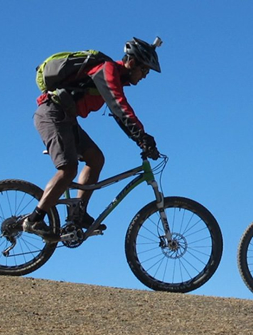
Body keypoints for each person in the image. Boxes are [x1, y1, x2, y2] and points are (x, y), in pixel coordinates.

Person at [23, 37, 163, 241]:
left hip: (66, 118)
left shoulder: (114, 78)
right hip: (52, 114)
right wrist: (143, 135)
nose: (145, 76)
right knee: (68, 169)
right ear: (132, 63)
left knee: (96, 159)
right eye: (145, 70)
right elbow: (119, 106)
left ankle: (77, 215)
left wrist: (140, 140)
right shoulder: (107, 70)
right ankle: (35, 219)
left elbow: (119, 115)